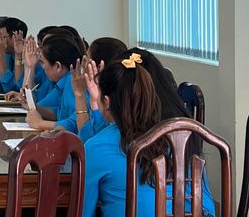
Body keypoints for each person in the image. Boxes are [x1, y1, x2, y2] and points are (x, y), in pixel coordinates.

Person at [83, 50, 215, 217]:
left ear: (107, 101)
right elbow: (206, 206)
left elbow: (84, 210)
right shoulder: (181, 134)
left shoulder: (98, 147)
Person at [23, 33, 82, 132]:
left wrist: (40, 123)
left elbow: (76, 122)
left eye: (42, 62)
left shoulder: (72, 82)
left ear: (58, 66)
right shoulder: (64, 82)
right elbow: (61, 114)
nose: (42, 68)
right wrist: (36, 108)